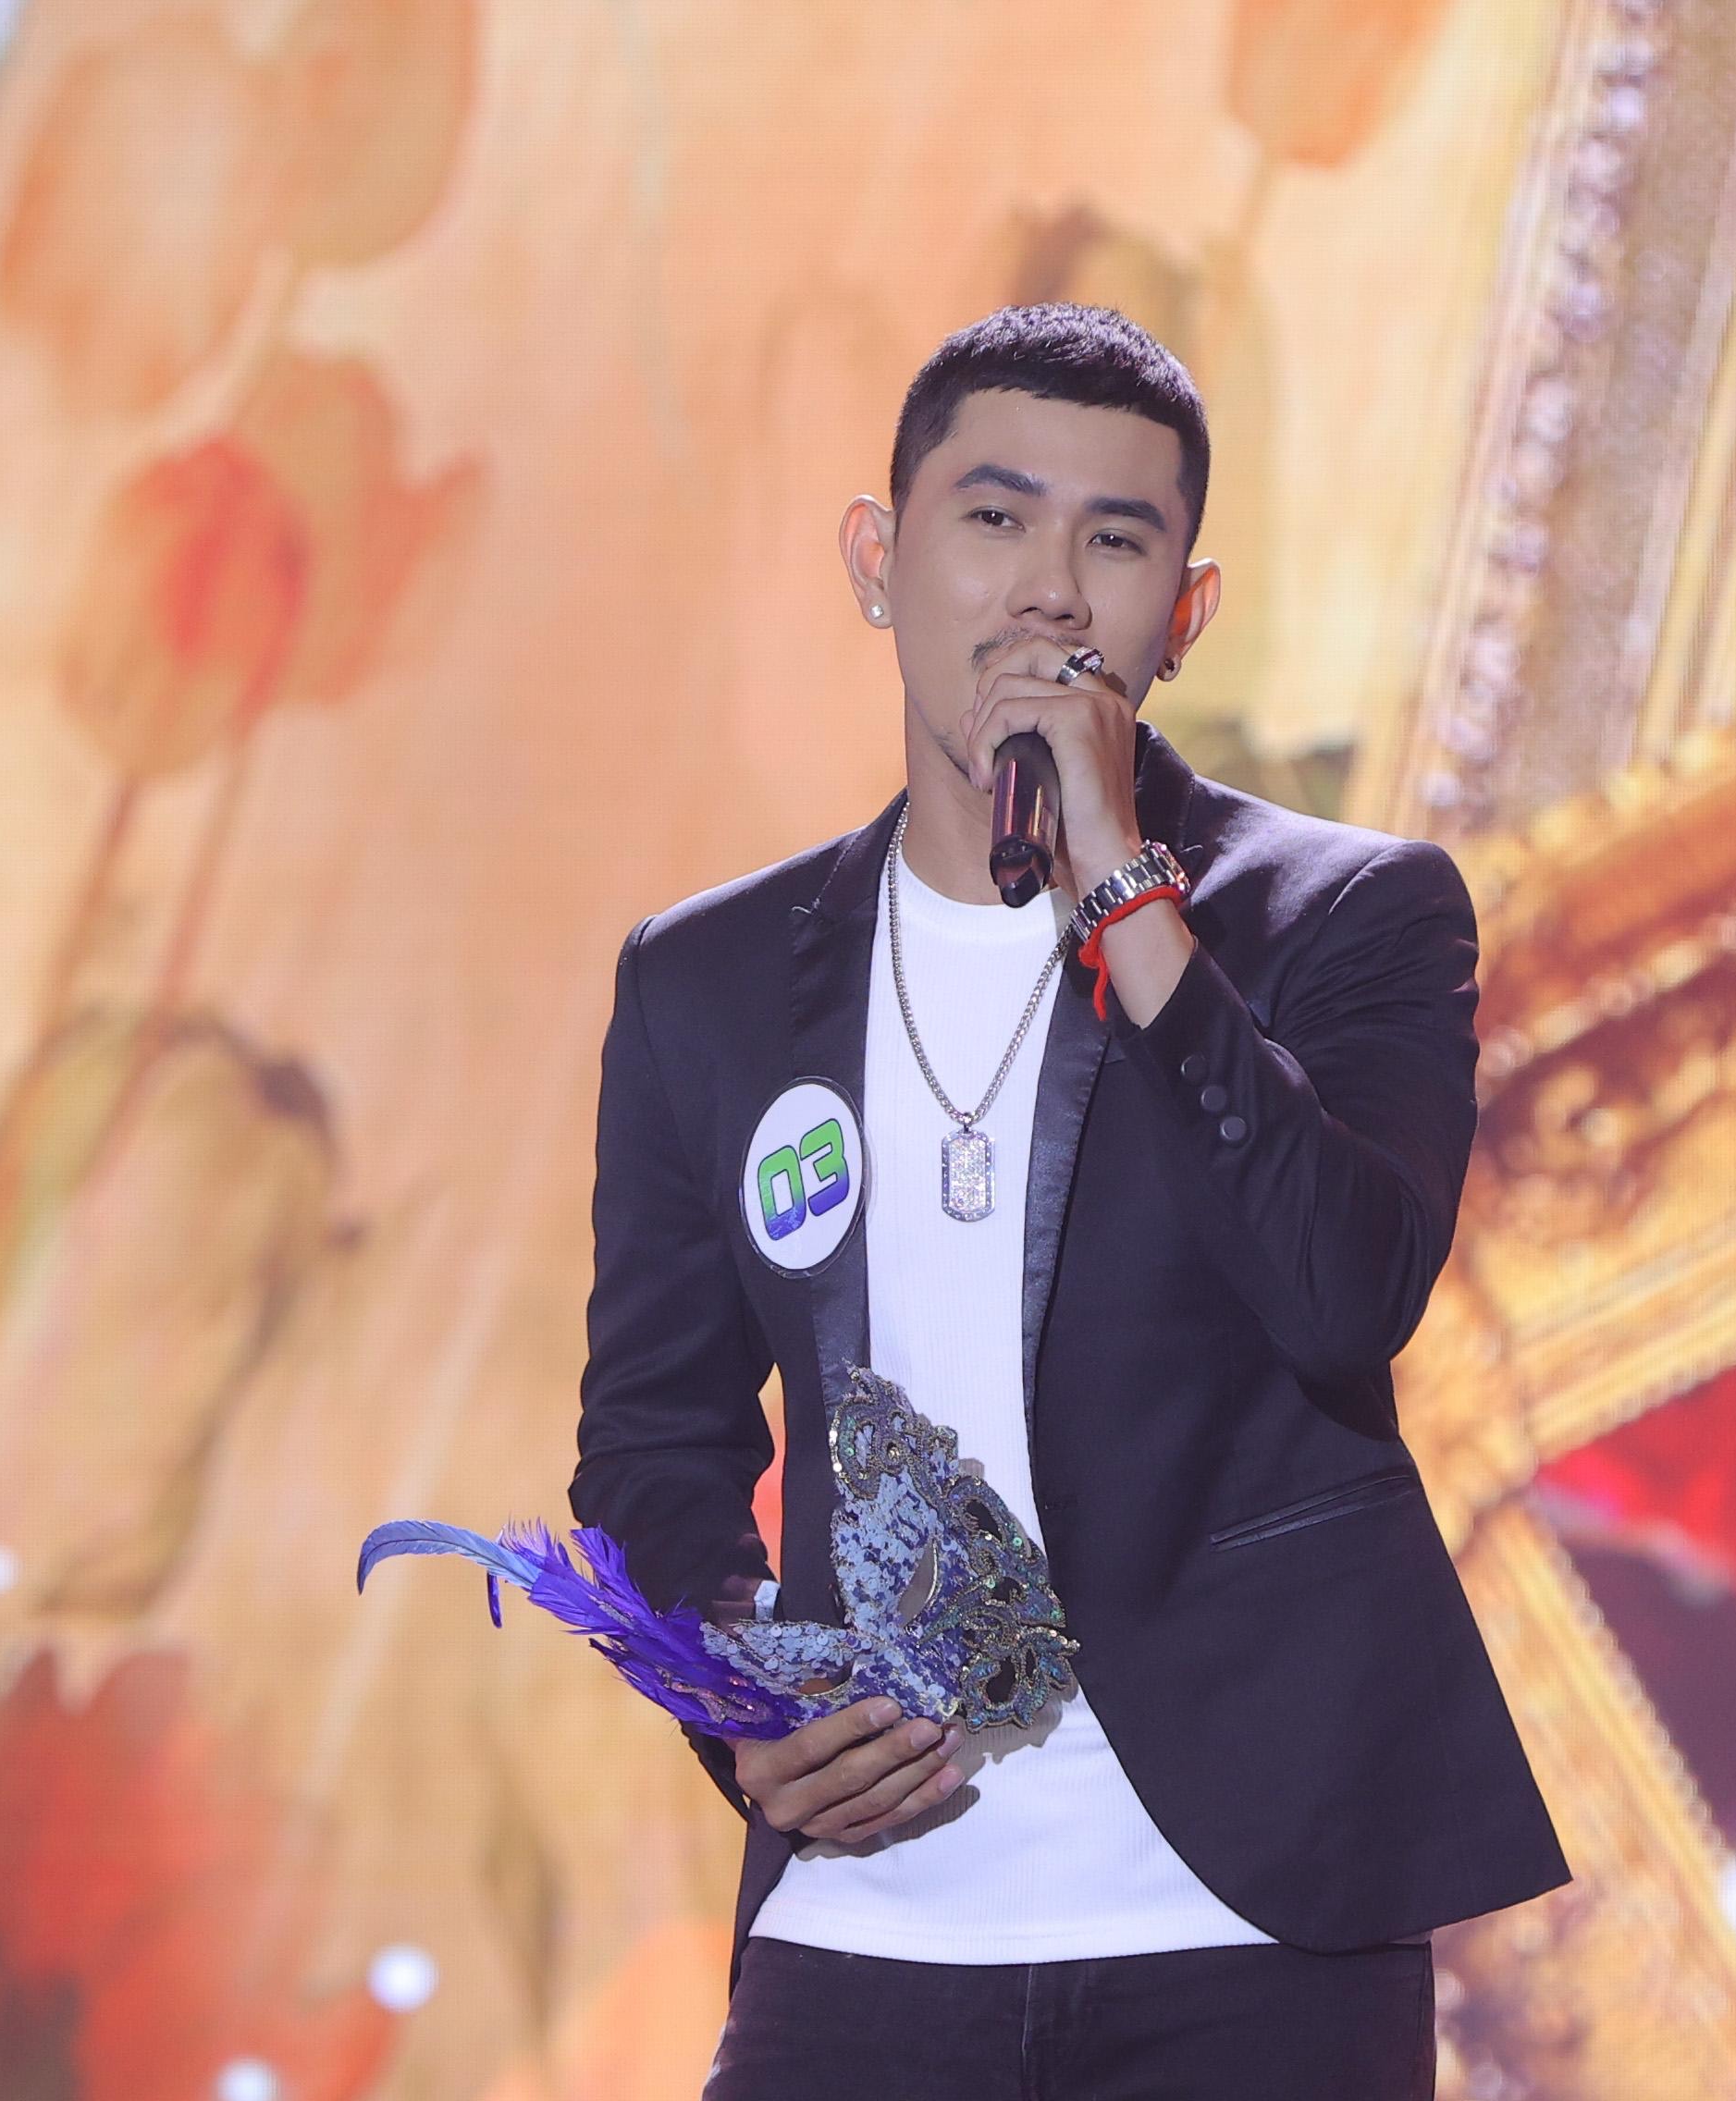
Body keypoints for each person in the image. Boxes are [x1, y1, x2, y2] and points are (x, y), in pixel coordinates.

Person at [569, 302, 1567, 2099]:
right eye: (993, 517)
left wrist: (1127, 889)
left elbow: (1347, 1291)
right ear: (878, 561)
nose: (1048, 591)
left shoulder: (1352, 916)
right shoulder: (704, 982)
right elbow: (653, 1436)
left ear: (1184, 612)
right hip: (869, 1930)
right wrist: (749, 1701)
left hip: (1247, 1932)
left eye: (1115, 540)